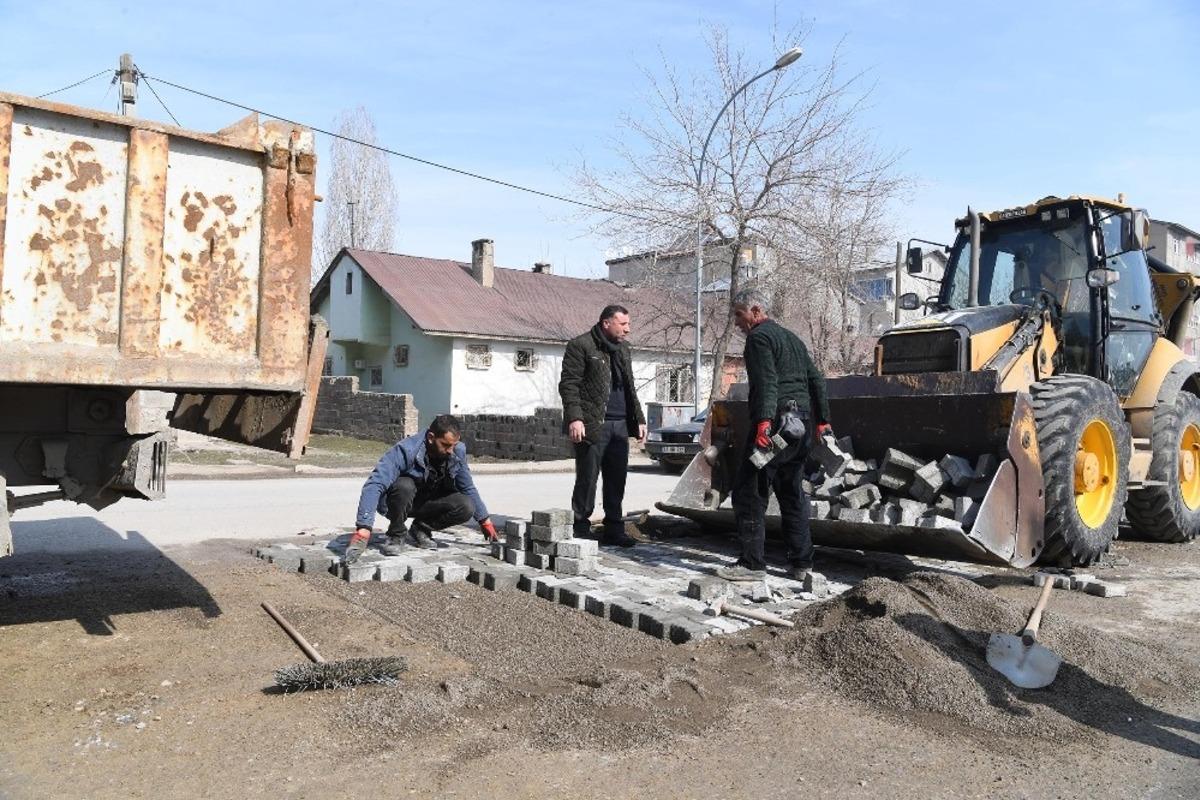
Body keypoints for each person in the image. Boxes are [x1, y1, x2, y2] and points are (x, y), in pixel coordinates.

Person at [715, 289, 831, 583]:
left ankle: (751, 565)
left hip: (776, 426)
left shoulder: (759, 338)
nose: (737, 322)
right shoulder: (792, 339)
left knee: (748, 491)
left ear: (755, 311)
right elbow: (817, 380)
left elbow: (766, 381)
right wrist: (822, 421)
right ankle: (802, 564)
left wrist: (763, 423)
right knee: (792, 493)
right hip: (800, 428)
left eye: (739, 315)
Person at [344, 414, 498, 563]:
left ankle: (420, 528)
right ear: (431, 437)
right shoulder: (407, 450)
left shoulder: (456, 451)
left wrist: (485, 520)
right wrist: (364, 528)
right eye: (445, 445)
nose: (450, 450)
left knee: (466, 506)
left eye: (454, 445)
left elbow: (467, 487)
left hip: (428, 501)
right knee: (404, 485)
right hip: (398, 502)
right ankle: (396, 534)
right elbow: (375, 484)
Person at [558, 304, 647, 547]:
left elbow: (629, 387)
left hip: (620, 424)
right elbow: (569, 384)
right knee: (587, 478)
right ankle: (580, 526)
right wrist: (575, 418)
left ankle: (614, 529)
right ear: (606, 323)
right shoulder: (581, 345)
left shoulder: (624, 349)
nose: (628, 329)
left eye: (628, 324)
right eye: (623, 324)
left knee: (617, 479)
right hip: (593, 423)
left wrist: (639, 419)